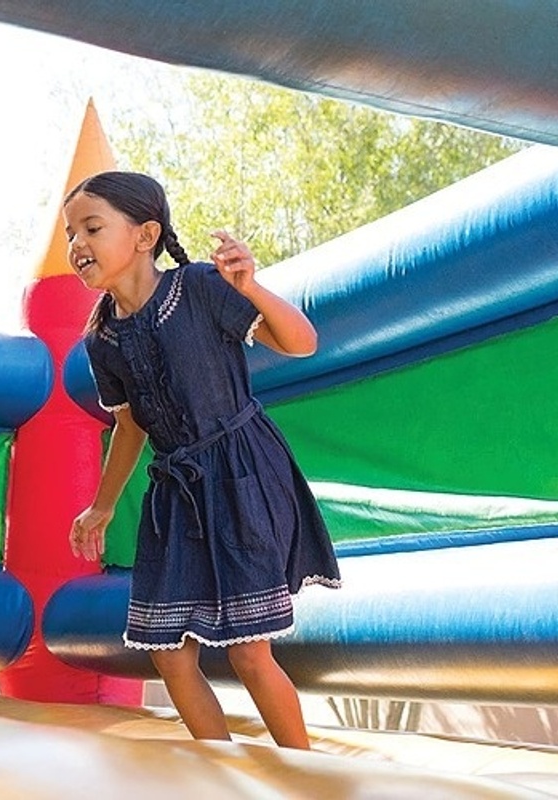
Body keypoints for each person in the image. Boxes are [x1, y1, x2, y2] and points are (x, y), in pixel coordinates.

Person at [63, 172, 341, 750]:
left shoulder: (199, 288)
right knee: (169, 654)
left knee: (248, 649)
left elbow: (301, 342)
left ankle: (310, 777)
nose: (77, 244)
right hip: (178, 493)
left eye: (92, 227)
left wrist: (252, 286)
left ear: (145, 235)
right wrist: (102, 506)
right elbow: (130, 423)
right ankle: (222, 774)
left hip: (241, 472)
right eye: (71, 233)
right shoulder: (103, 339)